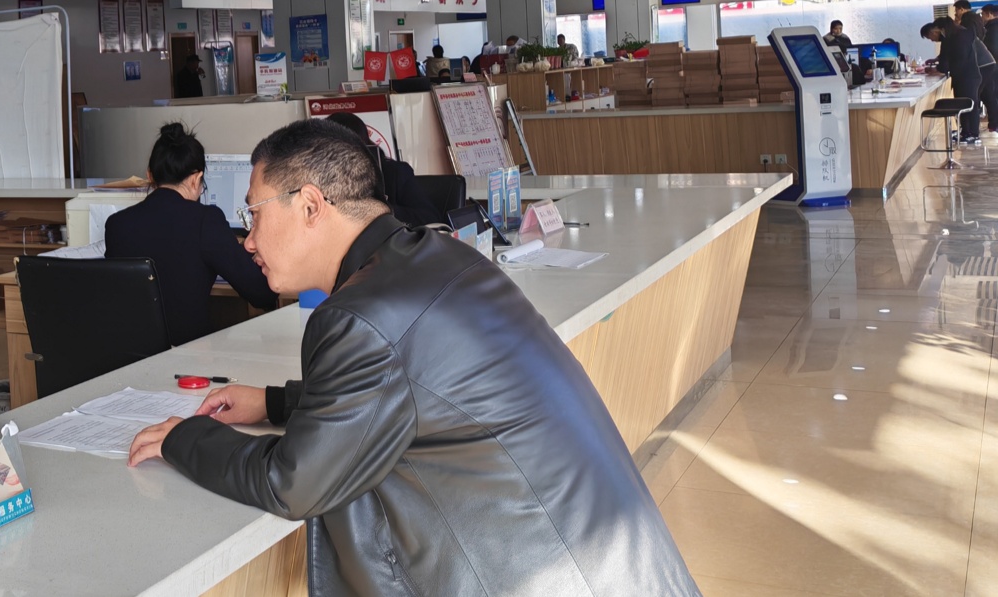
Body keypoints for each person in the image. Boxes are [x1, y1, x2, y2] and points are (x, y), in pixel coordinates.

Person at [126, 122, 698, 596]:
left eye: (253, 214)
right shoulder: (440, 255)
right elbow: (416, 389)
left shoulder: (358, 315)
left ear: (310, 206)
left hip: (547, 572)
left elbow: (293, 482)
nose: (247, 240)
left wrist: (184, 438)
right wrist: (276, 402)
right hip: (613, 560)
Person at [104, 123, 277, 345]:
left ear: (150, 175)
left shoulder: (117, 225)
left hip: (133, 355)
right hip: (189, 356)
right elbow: (261, 293)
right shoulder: (205, 220)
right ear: (196, 178)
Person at [321, 112, 444, 231]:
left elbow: (429, 218)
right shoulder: (320, 175)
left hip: (389, 241)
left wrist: (381, 209)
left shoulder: (395, 173)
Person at [923, 17, 991, 145]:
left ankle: (973, 134)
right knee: (962, 104)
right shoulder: (952, 37)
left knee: (970, 105)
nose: (932, 39)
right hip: (962, 77)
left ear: (937, 29)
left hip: (969, 77)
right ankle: (965, 131)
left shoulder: (959, 36)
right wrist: (939, 66)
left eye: (930, 36)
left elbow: (955, 60)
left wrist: (939, 68)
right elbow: (945, 58)